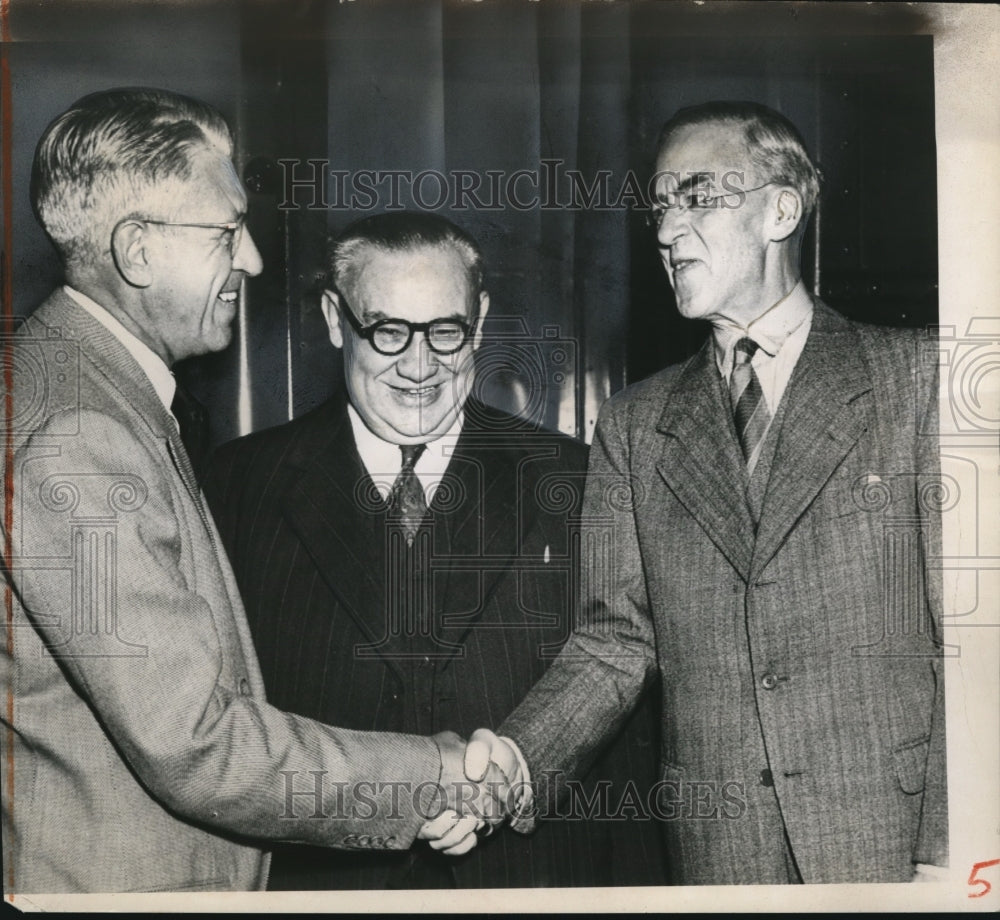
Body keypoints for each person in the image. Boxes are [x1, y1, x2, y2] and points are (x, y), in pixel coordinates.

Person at [0, 88, 502, 895]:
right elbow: (197, 742)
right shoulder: (78, 434)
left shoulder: (81, 390)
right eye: (228, 232)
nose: (254, 261)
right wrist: (434, 773)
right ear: (137, 251)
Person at [471, 100, 947, 884]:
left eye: (696, 197)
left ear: (781, 209)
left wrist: (951, 850)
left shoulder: (917, 379)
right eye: (660, 205)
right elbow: (613, 644)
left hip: (891, 844)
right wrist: (517, 765)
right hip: (722, 853)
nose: (664, 231)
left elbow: (974, 649)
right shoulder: (635, 424)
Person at [205, 211, 666, 889]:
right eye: (387, 331)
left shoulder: (578, 480)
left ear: (479, 321)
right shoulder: (235, 487)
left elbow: (624, 707)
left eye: (445, 332)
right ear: (336, 319)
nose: (419, 366)